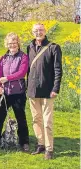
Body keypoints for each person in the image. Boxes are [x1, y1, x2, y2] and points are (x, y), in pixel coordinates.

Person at [27, 23, 62, 160]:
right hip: (32, 90)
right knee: (36, 119)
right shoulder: (29, 47)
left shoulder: (53, 47)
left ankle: (49, 148)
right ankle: (40, 143)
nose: (38, 32)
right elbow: (29, 70)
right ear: (32, 32)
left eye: (40, 30)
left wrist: (55, 88)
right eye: (35, 30)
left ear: (45, 31)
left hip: (48, 90)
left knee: (47, 121)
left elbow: (58, 70)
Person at [0, 33, 29, 151]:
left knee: (21, 117)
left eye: (14, 43)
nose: (12, 45)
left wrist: (7, 78)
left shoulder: (23, 57)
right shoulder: (3, 58)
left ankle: (24, 142)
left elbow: (21, 73)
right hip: (4, 92)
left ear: (18, 43)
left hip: (18, 92)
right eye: (10, 43)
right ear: (7, 44)